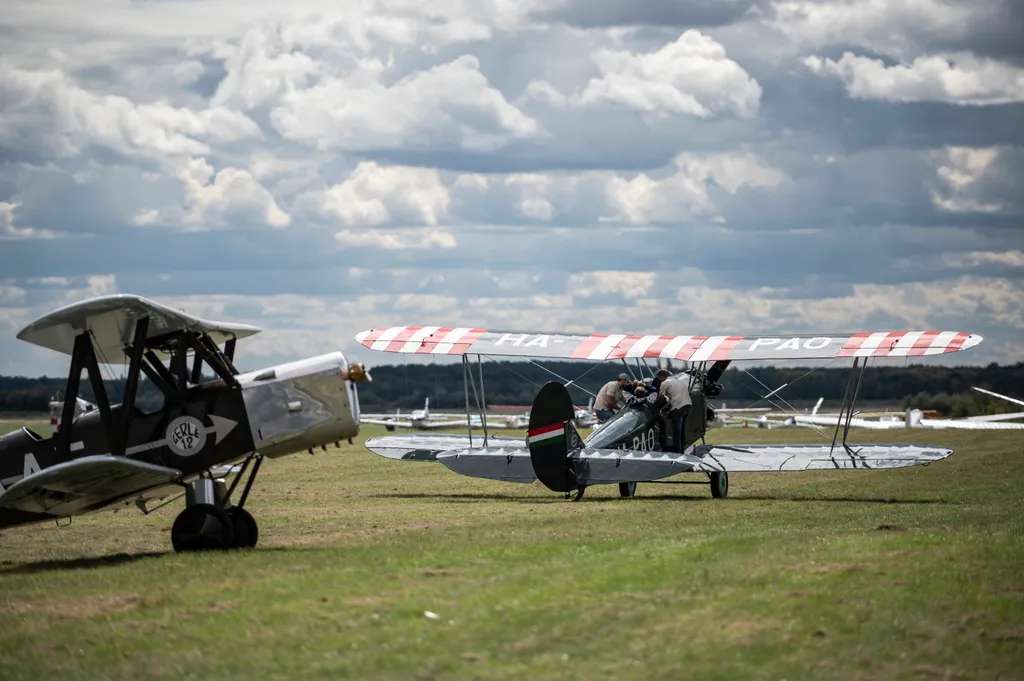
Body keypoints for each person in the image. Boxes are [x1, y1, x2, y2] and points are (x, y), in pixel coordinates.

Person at [657, 372, 692, 453]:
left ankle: (678, 453)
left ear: (662, 377)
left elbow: (661, 397)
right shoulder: (679, 381)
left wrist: (659, 407)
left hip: (678, 407)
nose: (659, 380)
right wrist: (666, 407)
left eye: (659, 378)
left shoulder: (664, 383)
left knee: (676, 432)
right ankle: (682, 449)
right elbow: (674, 397)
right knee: (682, 430)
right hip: (688, 405)